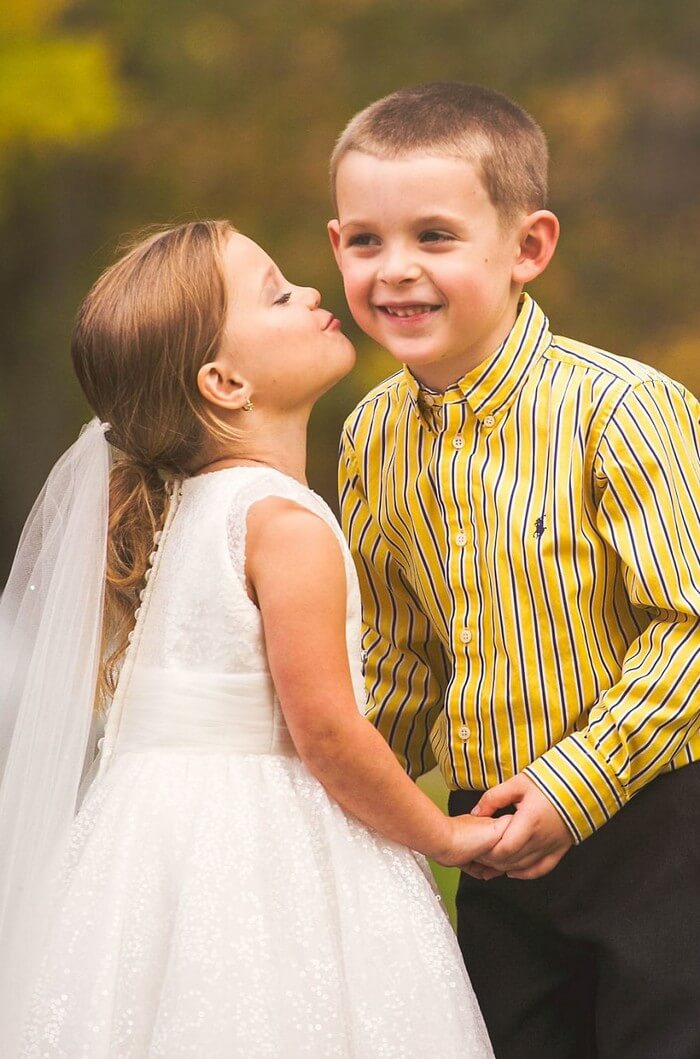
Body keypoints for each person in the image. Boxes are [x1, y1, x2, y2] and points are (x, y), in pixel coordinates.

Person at [0, 220, 506, 1058]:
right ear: (226, 382)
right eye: (276, 293)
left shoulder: (180, 520)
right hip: (264, 858)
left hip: (147, 853)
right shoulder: (284, 523)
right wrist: (443, 835)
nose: (311, 292)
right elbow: (329, 733)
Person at [331, 82, 700, 1059]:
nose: (394, 271)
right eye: (365, 241)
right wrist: (347, 789)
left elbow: (688, 626)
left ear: (527, 247)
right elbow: (402, 655)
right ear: (335, 246)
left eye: (435, 237)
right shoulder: (370, 437)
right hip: (485, 836)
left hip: (654, 819)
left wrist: (572, 785)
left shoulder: (618, 408)